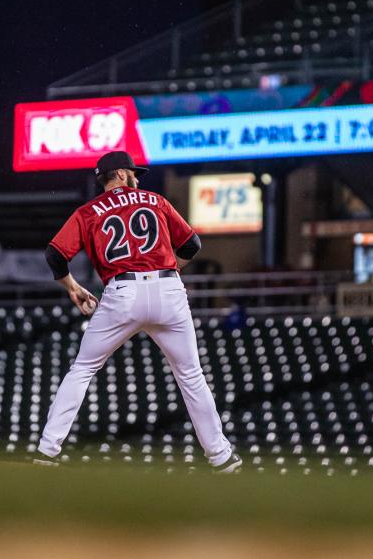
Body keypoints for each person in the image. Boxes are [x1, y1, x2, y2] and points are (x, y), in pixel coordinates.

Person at [34, 150, 242, 473]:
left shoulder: (89, 212)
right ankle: (222, 458)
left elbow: (55, 255)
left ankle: (47, 452)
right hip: (168, 289)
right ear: (119, 174)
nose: (136, 177)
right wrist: (168, 271)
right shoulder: (155, 201)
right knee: (191, 375)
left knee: (82, 369)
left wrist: (73, 287)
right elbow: (192, 245)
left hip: (122, 292)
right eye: (132, 172)